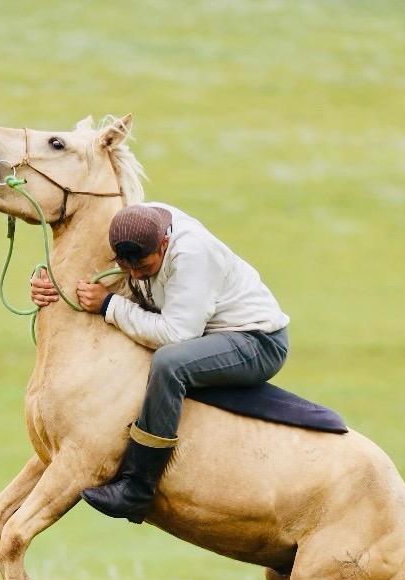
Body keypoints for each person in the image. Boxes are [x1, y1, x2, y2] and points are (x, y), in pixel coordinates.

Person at [30, 203, 290, 523]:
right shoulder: (134, 226)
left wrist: (110, 304)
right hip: (207, 333)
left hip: (256, 342)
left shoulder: (192, 255)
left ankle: (138, 488)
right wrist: (45, 282)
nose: (136, 274)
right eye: (127, 266)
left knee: (170, 362)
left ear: (164, 244)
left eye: (144, 266)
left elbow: (177, 335)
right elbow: (83, 266)